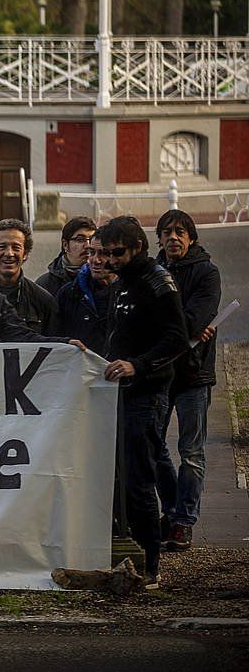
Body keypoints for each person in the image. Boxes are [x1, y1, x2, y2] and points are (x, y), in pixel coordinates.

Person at [94, 216, 189, 588]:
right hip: (118, 393)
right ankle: (128, 553)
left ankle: (151, 563)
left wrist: (138, 365)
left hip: (146, 395)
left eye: (118, 253)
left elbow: (178, 340)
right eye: (104, 253)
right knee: (117, 475)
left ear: (138, 247)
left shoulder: (157, 282)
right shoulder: (124, 283)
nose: (110, 260)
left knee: (138, 478)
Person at [152, 210, 222, 552]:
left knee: (191, 451)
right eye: (166, 232)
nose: (173, 238)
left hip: (194, 374)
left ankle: (183, 521)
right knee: (154, 446)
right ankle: (173, 509)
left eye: (180, 231)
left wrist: (176, 325)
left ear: (191, 237)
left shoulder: (206, 272)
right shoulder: (152, 272)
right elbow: (146, 320)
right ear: (159, 239)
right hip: (161, 373)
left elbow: (197, 317)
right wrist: (185, 327)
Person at [0, 218, 57, 334]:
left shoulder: (43, 300)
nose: (9, 253)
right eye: (2, 247)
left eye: (16, 247)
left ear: (26, 254)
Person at [54, 234, 114, 353]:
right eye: (92, 252)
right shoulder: (69, 293)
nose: (96, 260)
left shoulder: (132, 294)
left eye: (104, 254)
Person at [37, 216, 97, 297]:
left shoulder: (102, 279)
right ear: (65, 245)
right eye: (80, 240)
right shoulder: (45, 285)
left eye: (91, 240)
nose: (87, 245)